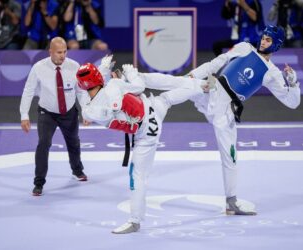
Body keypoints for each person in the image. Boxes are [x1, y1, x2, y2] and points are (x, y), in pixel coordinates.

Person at [139, 25, 301, 216]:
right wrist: (192, 75)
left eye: (268, 40)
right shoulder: (244, 47)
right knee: (180, 83)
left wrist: (292, 82)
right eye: (263, 37)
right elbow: (216, 63)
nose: (263, 41)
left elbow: (293, 102)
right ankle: (137, 81)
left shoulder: (272, 73)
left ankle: (231, 202)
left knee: (230, 157)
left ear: (277, 45)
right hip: (213, 88)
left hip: (227, 110)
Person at [75, 57, 207, 234]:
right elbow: (138, 87)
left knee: (138, 177)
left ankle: (135, 221)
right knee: (166, 97)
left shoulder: (88, 112)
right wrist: (130, 74)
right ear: (98, 78)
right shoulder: (114, 86)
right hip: (151, 111)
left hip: (144, 132)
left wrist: (103, 70)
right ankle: (203, 86)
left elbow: (89, 95)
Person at [20, 37, 89, 196]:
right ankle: (39, 183)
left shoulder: (74, 66)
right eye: (59, 52)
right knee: (43, 144)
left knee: (74, 142)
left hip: (69, 112)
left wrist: (86, 110)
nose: (62, 55)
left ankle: (77, 170)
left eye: (65, 52)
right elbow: (28, 91)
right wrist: (24, 115)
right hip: (47, 113)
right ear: (50, 51)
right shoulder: (39, 67)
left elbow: (81, 91)